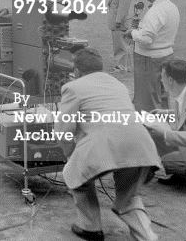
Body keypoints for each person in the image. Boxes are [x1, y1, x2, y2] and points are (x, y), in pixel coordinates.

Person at [55, 48, 161, 241]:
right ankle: (148, 237)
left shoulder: (73, 88)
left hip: (105, 146)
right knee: (129, 197)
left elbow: (63, 132)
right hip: (141, 145)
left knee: (73, 175)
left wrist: (70, 155)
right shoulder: (119, 85)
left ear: (76, 71)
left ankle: (90, 227)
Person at [123, 0, 179, 112]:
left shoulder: (156, 10)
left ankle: (150, 131)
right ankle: (164, 127)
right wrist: (140, 28)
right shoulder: (171, 7)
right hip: (166, 56)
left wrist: (132, 33)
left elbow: (147, 39)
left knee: (146, 100)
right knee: (162, 96)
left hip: (149, 60)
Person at [145, 59, 186, 193]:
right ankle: (178, 171)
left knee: (167, 160)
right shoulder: (182, 93)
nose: (161, 80)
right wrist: (166, 113)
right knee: (153, 130)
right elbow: (183, 116)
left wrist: (165, 133)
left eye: (162, 76)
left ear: (170, 80)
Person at [107, 0, 132, 72]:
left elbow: (123, 5)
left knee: (120, 44)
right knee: (122, 43)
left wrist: (118, 20)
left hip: (119, 21)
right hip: (117, 19)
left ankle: (121, 67)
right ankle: (126, 66)